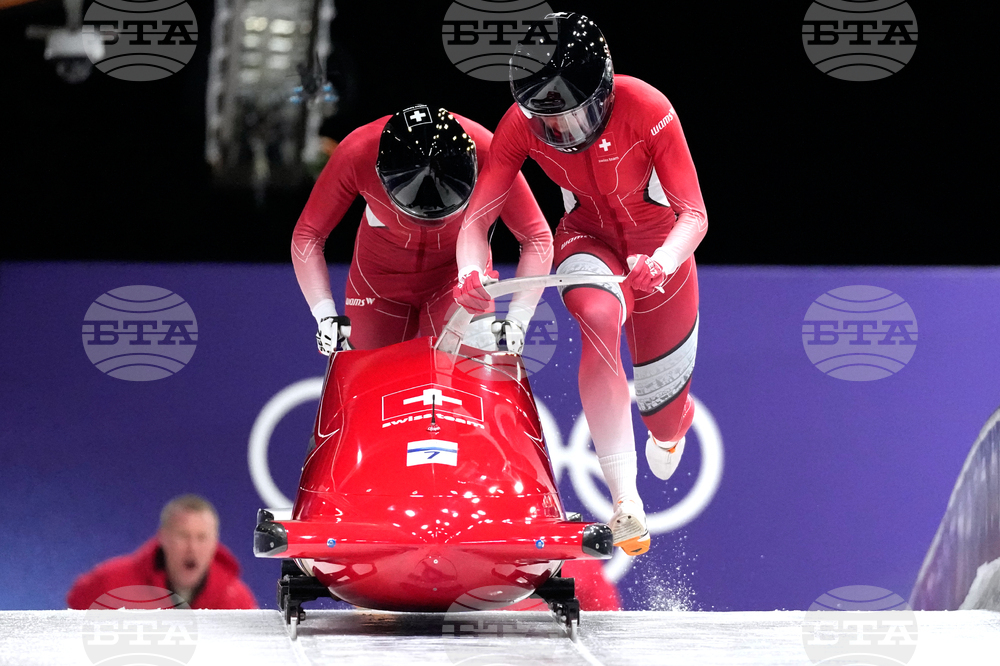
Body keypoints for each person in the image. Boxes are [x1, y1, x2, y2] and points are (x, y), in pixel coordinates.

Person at [456, 13, 708, 557]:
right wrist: (469, 271)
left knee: (661, 423)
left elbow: (695, 215)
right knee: (596, 317)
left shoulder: (648, 107)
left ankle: (671, 427)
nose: (563, 135)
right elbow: (478, 222)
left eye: (575, 119)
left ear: (603, 92)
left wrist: (662, 262)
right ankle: (624, 503)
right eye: (550, 124)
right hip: (585, 240)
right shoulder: (520, 123)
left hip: (662, 255)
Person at [292, 105, 552, 355]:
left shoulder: (488, 149)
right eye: (417, 214)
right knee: (367, 382)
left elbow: (536, 236)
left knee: (468, 384)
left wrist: (519, 317)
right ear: (382, 175)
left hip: (460, 278)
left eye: (443, 212)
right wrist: (323, 312)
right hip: (379, 284)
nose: (430, 222)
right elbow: (308, 234)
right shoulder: (357, 151)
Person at [67, 495, 257, 609]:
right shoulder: (111, 583)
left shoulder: (236, 600)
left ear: (215, 542)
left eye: (201, 538)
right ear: (163, 537)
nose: (192, 547)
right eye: (183, 536)